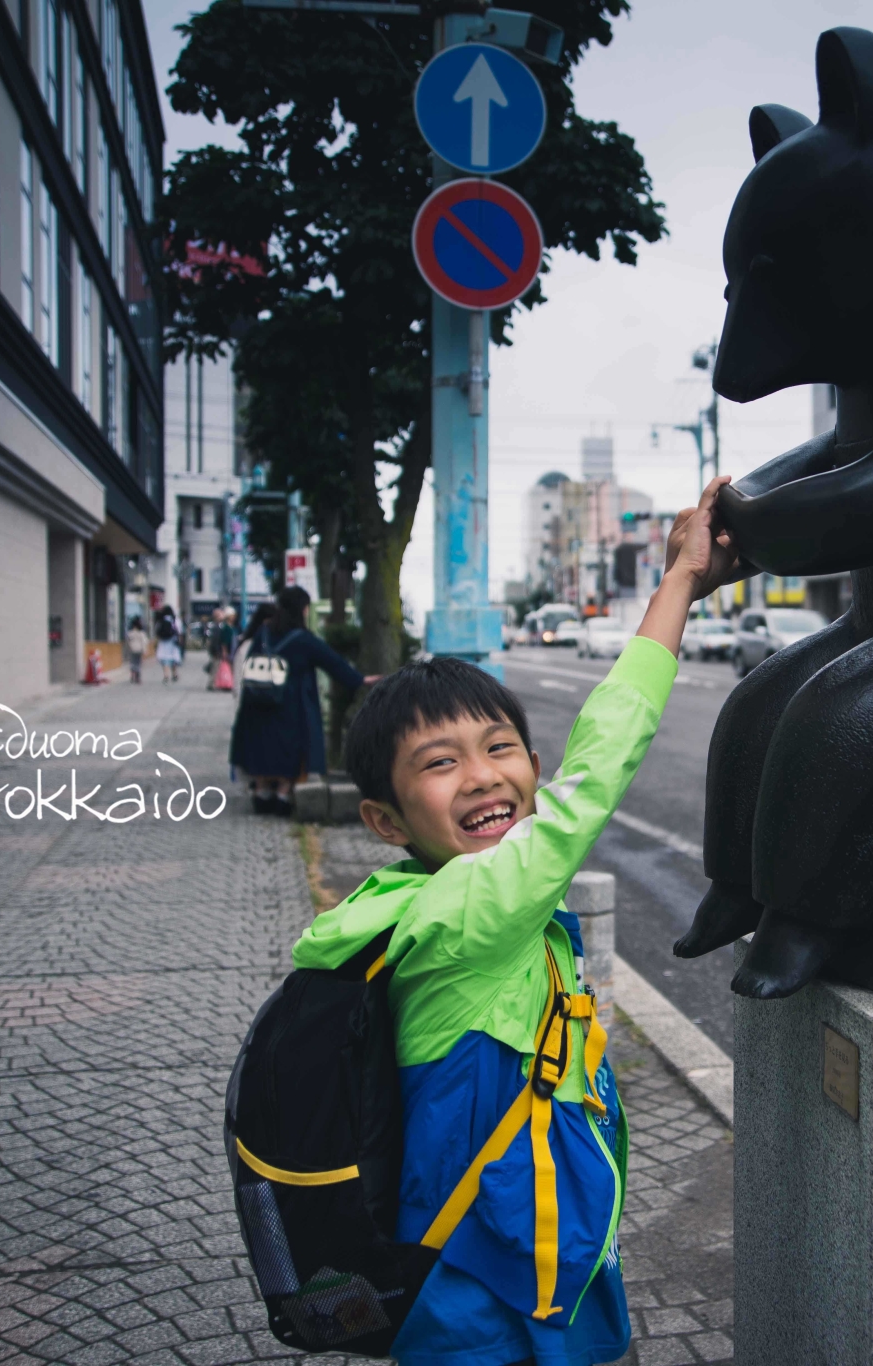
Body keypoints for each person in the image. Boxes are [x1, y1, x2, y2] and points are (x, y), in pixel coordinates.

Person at [290, 480, 740, 1366]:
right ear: (384, 821)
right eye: (440, 764)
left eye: (498, 750)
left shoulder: (419, 899)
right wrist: (679, 585)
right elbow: (603, 759)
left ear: (529, 766)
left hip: (511, 1238)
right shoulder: (467, 910)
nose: (483, 777)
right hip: (497, 1271)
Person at [229, 587, 362, 816]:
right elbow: (333, 663)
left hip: (258, 701)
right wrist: (360, 680)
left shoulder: (264, 632)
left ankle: (261, 792)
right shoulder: (303, 639)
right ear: (302, 609)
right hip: (290, 706)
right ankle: (283, 793)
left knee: (263, 749)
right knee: (290, 752)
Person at [207, 607, 238, 690]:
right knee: (217, 667)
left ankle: (226, 683)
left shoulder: (225, 626)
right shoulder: (222, 627)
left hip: (228, 650)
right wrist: (222, 651)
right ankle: (213, 684)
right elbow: (220, 641)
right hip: (220, 651)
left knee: (221, 667)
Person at [155, 605, 183, 683]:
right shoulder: (175, 620)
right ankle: (174, 674)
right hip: (173, 642)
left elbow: (157, 631)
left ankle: (166, 675)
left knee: (164, 659)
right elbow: (179, 631)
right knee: (173, 658)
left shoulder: (160, 619)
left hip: (163, 642)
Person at [124, 616, 149, 684]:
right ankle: (137, 677)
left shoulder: (130, 633)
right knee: (138, 663)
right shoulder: (141, 633)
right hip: (139, 650)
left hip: (132, 649)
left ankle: (132, 675)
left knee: (132, 662)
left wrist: (127, 651)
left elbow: (127, 643)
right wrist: (145, 651)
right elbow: (144, 642)